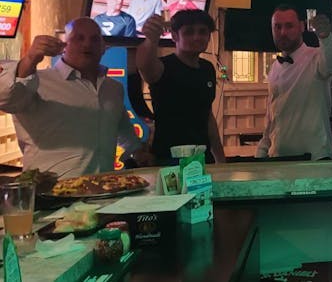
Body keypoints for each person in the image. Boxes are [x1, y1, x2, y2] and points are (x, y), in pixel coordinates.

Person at [0, 18, 152, 177]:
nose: (87, 44)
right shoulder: (38, 82)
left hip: (103, 191)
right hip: (49, 193)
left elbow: (121, 128)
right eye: (79, 38)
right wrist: (30, 59)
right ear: (64, 46)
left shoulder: (113, 88)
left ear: (103, 48)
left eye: (94, 39)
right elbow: (7, 99)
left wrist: (138, 152)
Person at [137, 10, 226, 165]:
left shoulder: (208, 68)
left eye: (202, 32)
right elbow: (144, 66)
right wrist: (151, 40)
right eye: (189, 32)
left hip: (202, 158)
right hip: (167, 159)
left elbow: (207, 116)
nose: (197, 37)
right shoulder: (162, 67)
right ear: (174, 36)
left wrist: (220, 159)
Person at [256, 5, 332, 160]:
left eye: (289, 26)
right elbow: (272, 118)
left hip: (314, 160)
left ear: (302, 27)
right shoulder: (274, 68)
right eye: (277, 27)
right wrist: (261, 151)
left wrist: (326, 37)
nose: (283, 32)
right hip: (278, 159)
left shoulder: (316, 57)